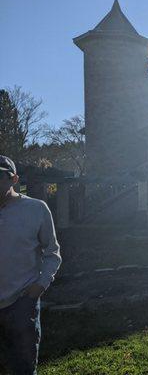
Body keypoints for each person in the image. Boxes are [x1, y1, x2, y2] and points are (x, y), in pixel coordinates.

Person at [0, 155, 61, 375]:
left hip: (21, 304)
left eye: (0, 176)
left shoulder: (36, 209)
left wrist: (41, 285)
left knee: (22, 369)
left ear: (14, 179)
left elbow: (52, 252)